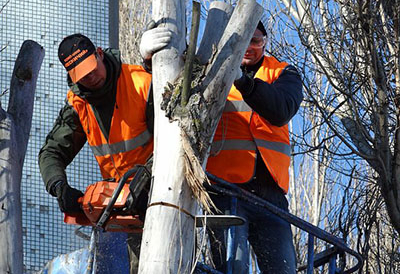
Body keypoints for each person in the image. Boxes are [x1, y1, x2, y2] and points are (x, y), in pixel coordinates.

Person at [140, 21, 303, 273]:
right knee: (232, 267)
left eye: (256, 41)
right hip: (225, 190)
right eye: (243, 42)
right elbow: (168, 99)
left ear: (265, 42)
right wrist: (150, 61)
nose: (249, 48)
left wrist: (243, 82)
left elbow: (280, 110)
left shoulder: (283, 73)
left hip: (271, 193)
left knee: (283, 268)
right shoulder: (209, 73)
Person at [38, 33, 169, 273]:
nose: (90, 77)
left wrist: (146, 178)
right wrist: (59, 187)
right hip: (118, 206)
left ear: (99, 53)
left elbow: (171, 141)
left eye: (91, 67)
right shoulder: (78, 103)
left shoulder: (142, 83)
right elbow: (51, 152)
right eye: (81, 74)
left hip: (160, 192)